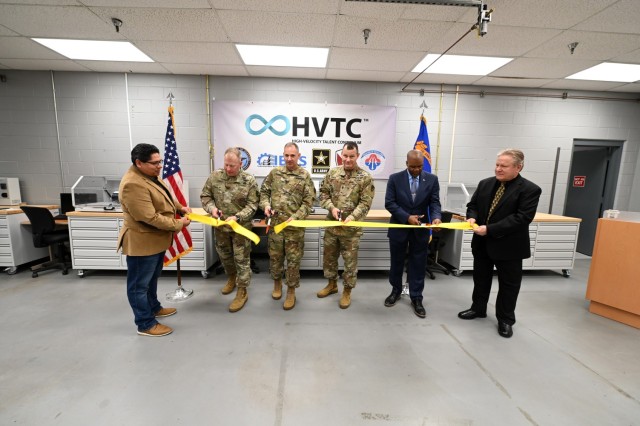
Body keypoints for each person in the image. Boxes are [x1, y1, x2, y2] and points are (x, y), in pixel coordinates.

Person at [458, 148, 541, 338]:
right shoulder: (485, 184)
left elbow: (522, 218)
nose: (498, 169)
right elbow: (474, 206)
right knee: (481, 279)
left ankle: (505, 319)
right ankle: (478, 308)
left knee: (509, 285)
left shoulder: (530, 190)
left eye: (504, 166)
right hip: (482, 244)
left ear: (518, 167)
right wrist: (472, 218)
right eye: (497, 164)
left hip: (509, 246)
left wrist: (490, 229)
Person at [117, 143, 192, 337]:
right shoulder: (132, 184)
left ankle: (154, 307)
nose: (160, 166)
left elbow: (165, 197)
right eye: (155, 163)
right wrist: (179, 224)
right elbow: (149, 217)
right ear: (139, 163)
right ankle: (145, 323)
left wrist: (180, 208)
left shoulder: (150, 176)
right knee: (139, 285)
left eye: (160, 161)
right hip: (142, 242)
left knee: (151, 279)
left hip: (156, 240)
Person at [384, 149, 442, 318]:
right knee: (396, 262)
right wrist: (406, 217)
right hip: (399, 228)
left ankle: (416, 297)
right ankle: (395, 290)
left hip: (420, 231)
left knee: (418, 264)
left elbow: (435, 202)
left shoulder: (431, 179)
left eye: (419, 167)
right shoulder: (395, 179)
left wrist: (437, 218)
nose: (416, 170)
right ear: (406, 163)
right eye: (413, 167)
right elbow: (390, 203)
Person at [200, 147, 259, 313]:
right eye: (226, 165)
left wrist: (238, 217)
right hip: (221, 227)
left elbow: (253, 204)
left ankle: (242, 290)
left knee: (241, 259)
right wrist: (211, 209)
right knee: (225, 256)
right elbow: (206, 196)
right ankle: (231, 278)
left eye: (232, 165)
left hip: (241, 228)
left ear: (241, 163)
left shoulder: (249, 180)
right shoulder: (215, 177)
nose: (228, 169)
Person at [317, 142, 374, 309]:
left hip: (351, 229)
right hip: (332, 227)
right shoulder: (332, 173)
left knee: (350, 263)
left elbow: (365, 203)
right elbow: (323, 194)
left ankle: (347, 291)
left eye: (351, 156)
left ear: (357, 156)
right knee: (329, 259)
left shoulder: (365, 177)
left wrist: (353, 216)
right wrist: (331, 208)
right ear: (341, 155)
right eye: (345, 156)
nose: (348, 159)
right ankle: (332, 284)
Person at [259, 142, 316, 310]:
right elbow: (264, 193)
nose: (289, 158)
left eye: (293, 155)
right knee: (275, 258)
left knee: (293, 261)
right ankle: (277, 285)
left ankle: (291, 291)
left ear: (298, 156)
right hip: (276, 227)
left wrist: (296, 217)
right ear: (283, 155)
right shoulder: (274, 173)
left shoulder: (304, 176)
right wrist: (265, 206)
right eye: (286, 155)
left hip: (294, 229)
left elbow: (309, 201)